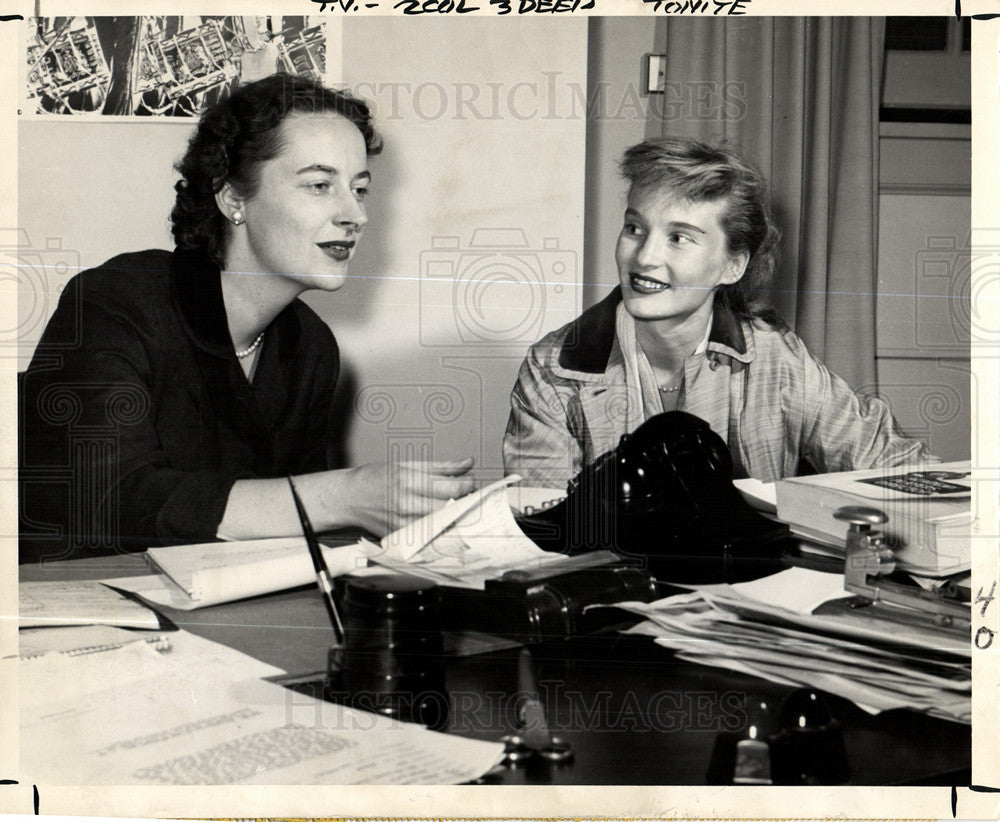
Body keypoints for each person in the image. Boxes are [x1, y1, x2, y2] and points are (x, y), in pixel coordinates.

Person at [19, 73, 474, 564]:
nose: (355, 215)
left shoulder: (311, 346)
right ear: (234, 199)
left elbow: (283, 543)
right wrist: (342, 495)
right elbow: (105, 502)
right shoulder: (115, 301)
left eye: (359, 189)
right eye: (320, 185)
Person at [503, 136, 936, 489]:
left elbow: (897, 469)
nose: (645, 257)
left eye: (679, 238)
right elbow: (544, 528)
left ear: (733, 265)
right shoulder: (553, 370)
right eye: (635, 228)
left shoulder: (776, 359)